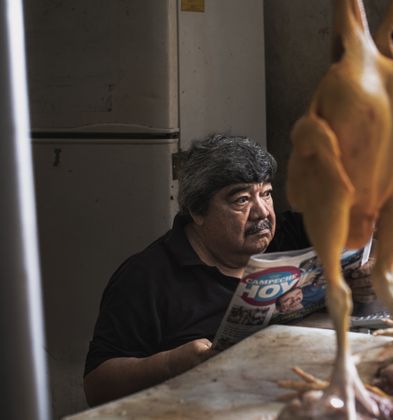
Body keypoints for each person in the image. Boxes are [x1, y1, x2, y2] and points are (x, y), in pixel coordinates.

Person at [83, 134, 374, 406]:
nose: (262, 212)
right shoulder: (147, 277)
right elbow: (97, 387)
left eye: (267, 193)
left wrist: (371, 273)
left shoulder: (287, 236)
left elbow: (370, 238)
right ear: (197, 212)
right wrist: (171, 363)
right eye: (242, 200)